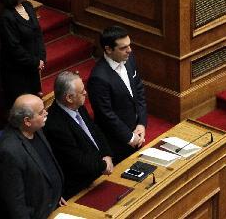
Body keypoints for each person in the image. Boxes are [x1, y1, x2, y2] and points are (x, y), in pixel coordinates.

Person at [44, 71, 114, 198]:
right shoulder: (55, 125)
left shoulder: (77, 106)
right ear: (69, 98)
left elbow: (95, 131)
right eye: (82, 92)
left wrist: (107, 155)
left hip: (99, 170)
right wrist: (104, 165)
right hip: (82, 185)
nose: (85, 93)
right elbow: (77, 161)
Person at [0, 95, 64, 219]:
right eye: (41, 112)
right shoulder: (8, 152)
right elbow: (15, 203)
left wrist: (55, 195)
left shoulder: (36, 130)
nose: (46, 113)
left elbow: (46, 168)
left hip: (54, 206)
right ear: (27, 121)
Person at [87, 25, 148, 162]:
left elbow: (139, 91)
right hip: (117, 142)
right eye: (123, 48)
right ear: (108, 49)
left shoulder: (129, 60)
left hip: (136, 132)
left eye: (129, 45)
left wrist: (142, 123)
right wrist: (129, 137)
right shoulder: (98, 78)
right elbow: (106, 114)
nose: (129, 50)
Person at [0, 0, 45, 109]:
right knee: (23, 108)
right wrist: (35, 62)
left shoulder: (29, 7)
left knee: (35, 104)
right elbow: (14, 48)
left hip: (32, 67)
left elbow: (38, 34)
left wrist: (41, 58)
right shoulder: (6, 17)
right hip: (17, 72)